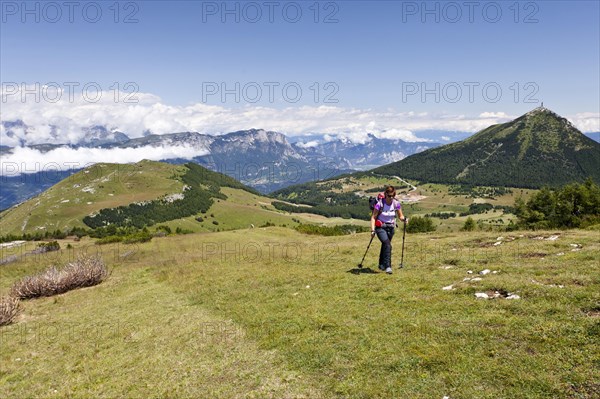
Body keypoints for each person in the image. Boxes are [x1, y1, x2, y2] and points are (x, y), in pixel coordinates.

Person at [370, 185, 407, 274]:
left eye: (392, 196)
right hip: (380, 227)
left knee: (385, 245)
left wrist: (404, 219)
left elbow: (400, 215)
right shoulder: (380, 204)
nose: (391, 198)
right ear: (385, 194)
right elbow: (373, 217)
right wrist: (372, 230)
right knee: (388, 245)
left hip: (391, 228)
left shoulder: (396, 203)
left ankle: (381, 264)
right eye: (389, 196)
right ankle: (388, 266)